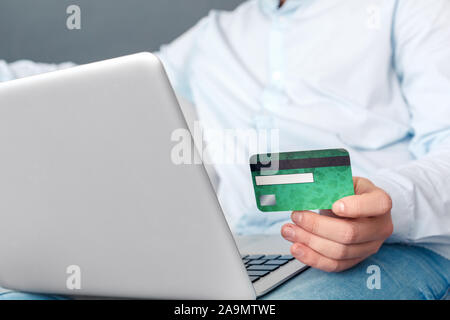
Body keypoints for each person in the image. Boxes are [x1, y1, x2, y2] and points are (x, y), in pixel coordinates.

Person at [1, 0, 449, 299]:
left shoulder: (409, 9)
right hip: (233, 249)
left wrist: (385, 204)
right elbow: (100, 81)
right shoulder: (214, 37)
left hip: (389, 249)